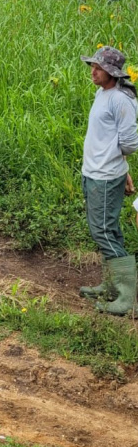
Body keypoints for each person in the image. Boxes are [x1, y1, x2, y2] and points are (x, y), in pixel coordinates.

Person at [78, 46, 138, 316]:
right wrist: (123, 169)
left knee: (102, 231)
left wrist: (119, 168)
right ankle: (111, 285)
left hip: (104, 177)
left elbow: (129, 143)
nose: (93, 71)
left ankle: (126, 296)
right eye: (93, 66)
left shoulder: (121, 100)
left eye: (98, 68)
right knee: (108, 230)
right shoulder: (102, 93)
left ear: (111, 73)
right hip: (94, 173)